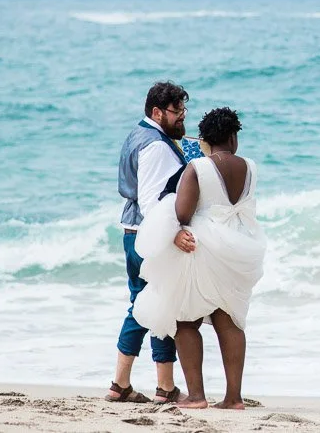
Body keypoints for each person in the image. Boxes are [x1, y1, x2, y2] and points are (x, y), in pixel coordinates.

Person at [133, 107, 265, 410]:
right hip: (236, 249)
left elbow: (182, 213)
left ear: (204, 139)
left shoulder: (198, 167)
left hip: (202, 248)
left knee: (186, 320)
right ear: (232, 137)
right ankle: (234, 398)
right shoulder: (251, 167)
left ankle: (196, 395)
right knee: (229, 320)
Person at [106, 81, 189, 404]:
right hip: (147, 235)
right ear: (157, 112)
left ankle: (131, 385)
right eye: (176, 111)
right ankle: (151, 387)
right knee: (152, 306)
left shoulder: (139, 134)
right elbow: (152, 202)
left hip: (133, 232)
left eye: (183, 110)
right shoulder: (155, 145)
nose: (182, 117)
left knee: (147, 305)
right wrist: (173, 233)